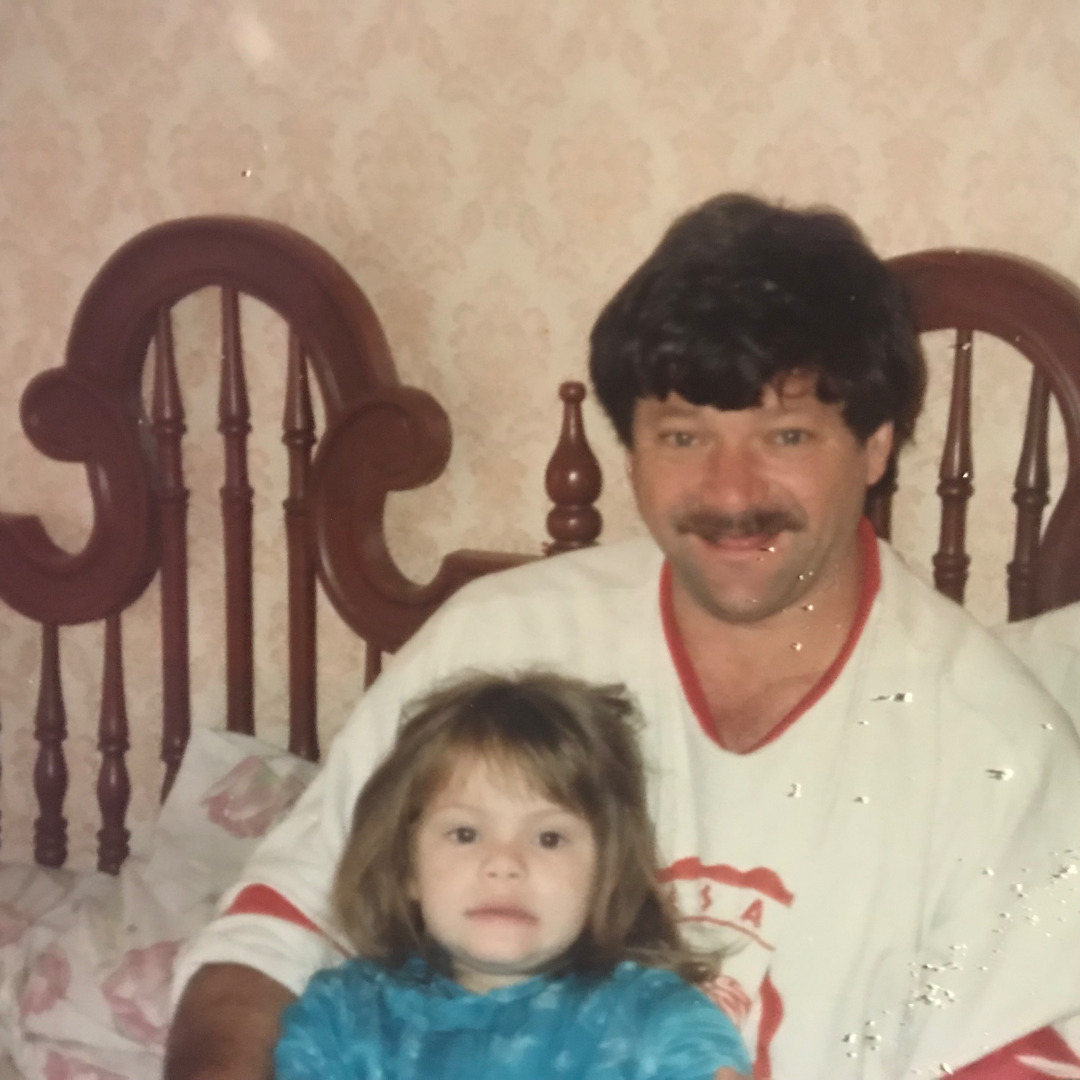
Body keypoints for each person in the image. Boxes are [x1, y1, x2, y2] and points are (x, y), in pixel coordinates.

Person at [166, 193, 1080, 1080]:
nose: (730, 492)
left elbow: (1021, 1056)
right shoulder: (500, 642)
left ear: (876, 446)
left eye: (787, 436)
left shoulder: (993, 747)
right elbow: (273, 935)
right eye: (682, 438)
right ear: (631, 450)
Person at [273, 671, 751, 1080]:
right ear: (405, 867)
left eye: (549, 838)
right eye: (465, 834)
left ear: (608, 872)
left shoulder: (655, 1018)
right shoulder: (345, 1014)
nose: (504, 863)